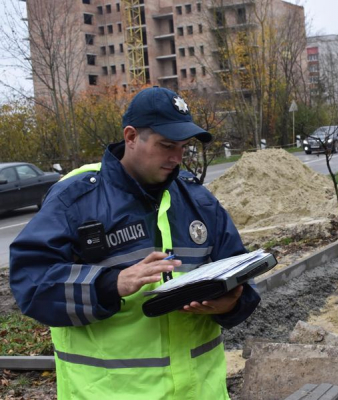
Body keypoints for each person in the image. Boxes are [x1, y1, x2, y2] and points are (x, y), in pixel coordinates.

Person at [10, 86, 260, 400]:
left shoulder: (199, 201)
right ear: (130, 137)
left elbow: (240, 276)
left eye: (183, 147)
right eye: (166, 145)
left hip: (201, 392)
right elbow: (31, 285)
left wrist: (232, 303)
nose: (177, 158)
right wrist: (108, 285)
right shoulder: (76, 199)